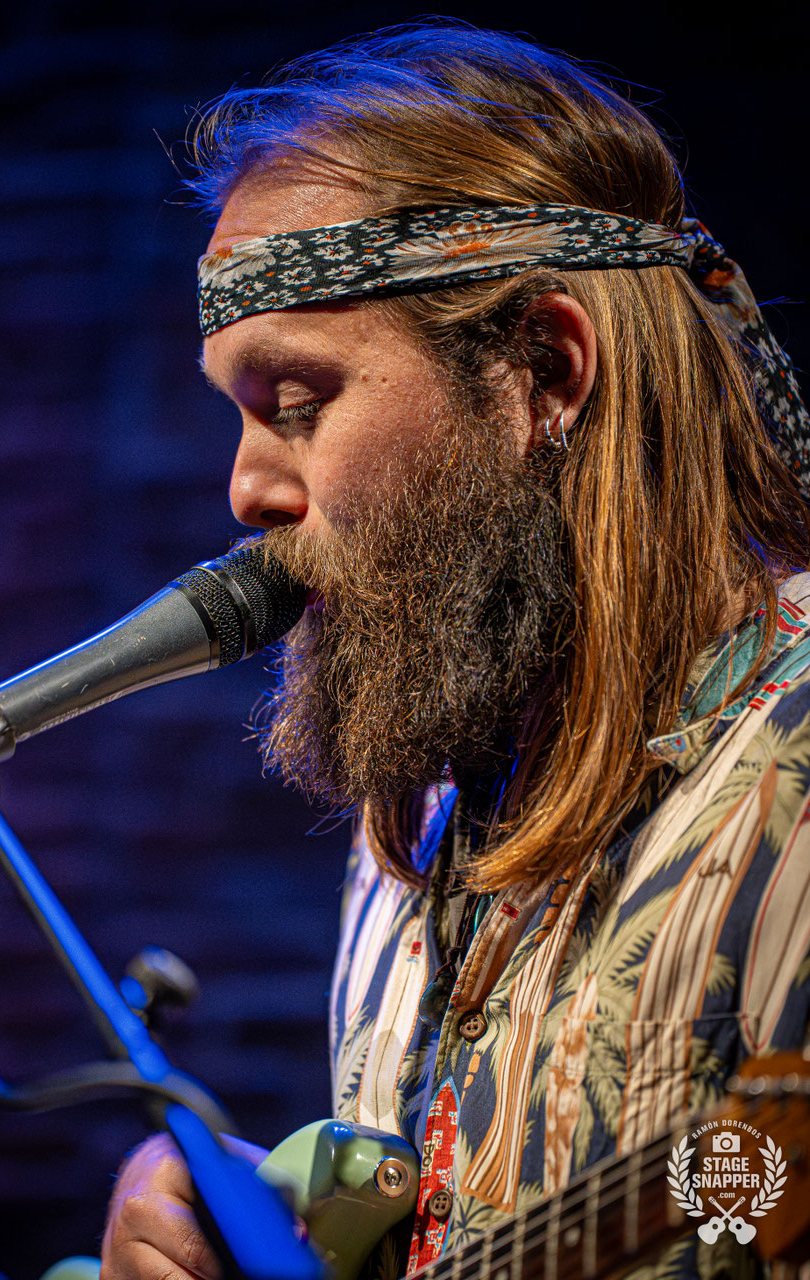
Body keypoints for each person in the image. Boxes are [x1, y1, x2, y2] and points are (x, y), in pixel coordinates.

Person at [100, 22, 810, 1280]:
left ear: (544, 370)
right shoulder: (419, 824)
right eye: (241, 414)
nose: (246, 487)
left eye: (299, 403)